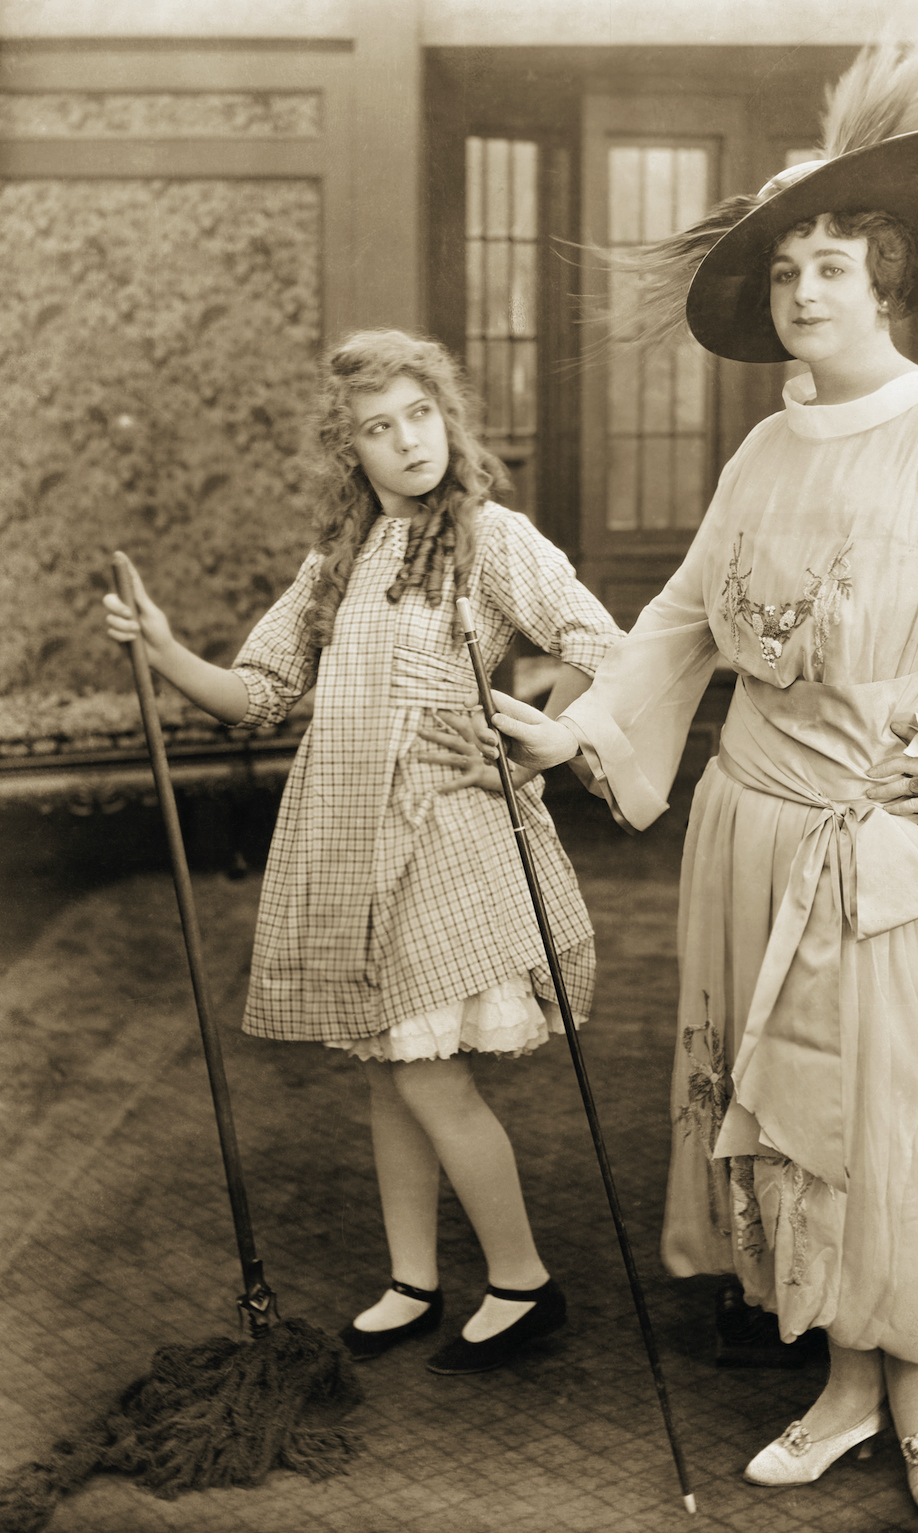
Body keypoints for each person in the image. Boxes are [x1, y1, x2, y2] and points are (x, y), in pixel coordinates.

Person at [481, 40, 918, 1517]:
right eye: (785, 271)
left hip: (878, 846)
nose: (806, 289)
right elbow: (686, 623)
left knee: (890, 1113)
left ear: (888, 280)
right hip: (748, 830)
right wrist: (575, 731)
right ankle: (842, 1382)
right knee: (780, 1119)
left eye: (833, 263)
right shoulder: (766, 447)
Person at [103, 328, 622, 1376]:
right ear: (353, 452)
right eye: (379, 430)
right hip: (346, 836)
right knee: (390, 1070)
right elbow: (258, 694)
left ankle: (523, 1282)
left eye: (420, 415)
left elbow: (603, 649)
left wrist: (529, 746)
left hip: (444, 832)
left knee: (429, 1074)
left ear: (448, 417)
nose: (407, 442)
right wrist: (162, 649)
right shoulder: (334, 565)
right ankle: (412, 1279)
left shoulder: (493, 538)